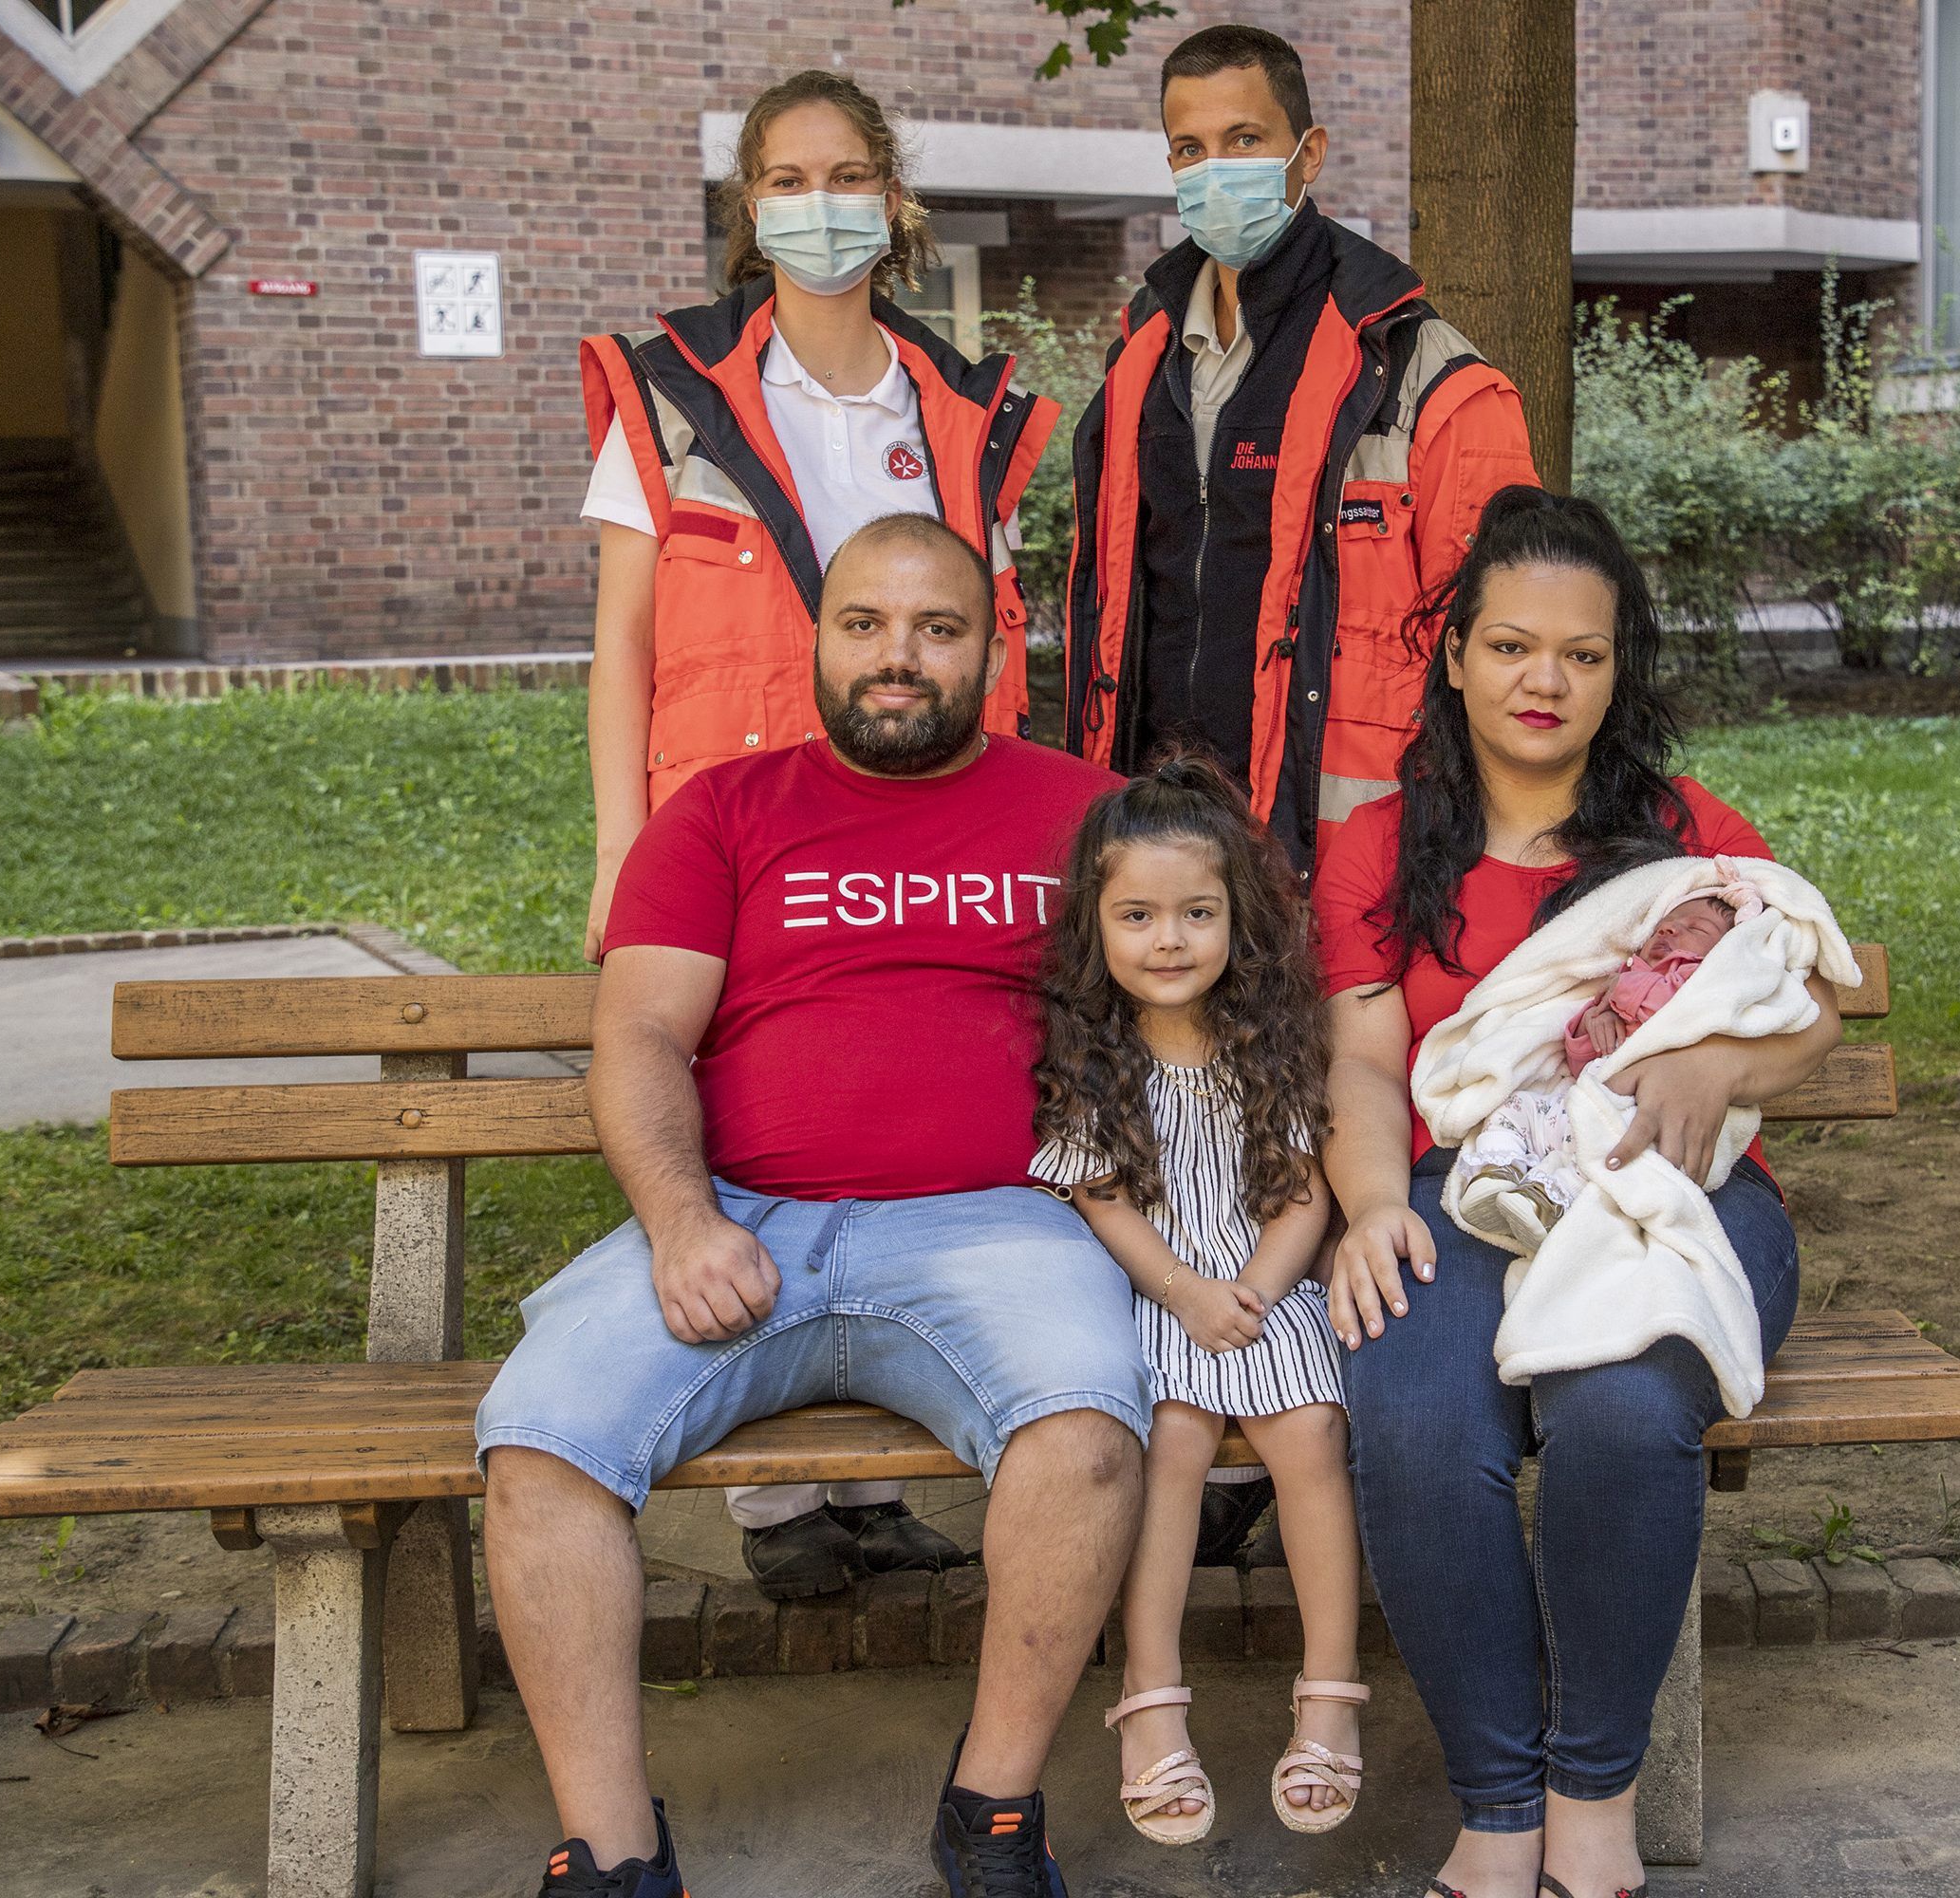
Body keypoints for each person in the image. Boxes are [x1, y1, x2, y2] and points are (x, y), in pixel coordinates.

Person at [476, 515, 1144, 1898]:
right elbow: (642, 1040)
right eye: (864, 624)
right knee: (539, 1445)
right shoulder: (722, 811)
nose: (895, 659)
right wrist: (676, 1221)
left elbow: (1199, 1006)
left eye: (936, 628)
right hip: (737, 1219)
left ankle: (993, 1810)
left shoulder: (1089, 817)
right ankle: (608, 1856)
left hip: (997, 1223)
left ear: (991, 647)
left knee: (1085, 1436)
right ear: (819, 636)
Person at [1309, 489, 1842, 1898]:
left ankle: (1590, 1793)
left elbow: (1833, 991)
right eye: (1510, 646)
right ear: (1456, 657)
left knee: (1617, 1411)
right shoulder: (1375, 846)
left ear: (1619, 668)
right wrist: (1371, 1206)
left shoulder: (1677, 828)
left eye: (1582, 655)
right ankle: (1495, 1804)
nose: (1544, 681)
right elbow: (1364, 1067)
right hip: (1452, 1187)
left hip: (1675, 1192)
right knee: (1416, 1430)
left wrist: (1717, 1063)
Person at [577, 66, 1058, 1592]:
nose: (818, 202)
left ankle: (862, 1486)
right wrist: (614, 848)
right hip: (726, 835)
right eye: (784, 178)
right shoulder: (674, 396)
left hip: (911, 816)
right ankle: (778, 1508)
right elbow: (621, 646)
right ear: (746, 209)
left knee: (881, 1119)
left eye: (846, 173)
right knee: (737, 1121)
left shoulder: (959, 406)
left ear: (895, 202)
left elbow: (986, 627)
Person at [1063, 24, 1542, 882]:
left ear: (1307, 152)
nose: (1214, 169)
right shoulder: (1140, 356)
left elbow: (1508, 643)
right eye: (1189, 148)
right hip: (1154, 834)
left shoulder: (1419, 373)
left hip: (1342, 847)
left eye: (1244, 140)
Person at [1027, 755, 1366, 1846]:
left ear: (1238, 919)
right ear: (1098, 925)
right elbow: (1100, 1195)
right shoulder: (1095, 1052)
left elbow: (1310, 1187)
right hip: (1158, 1292)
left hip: (1265, 1284)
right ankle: (1151, 1697)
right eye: (1137, 914)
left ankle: (1329, 1690)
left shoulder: (1270, 1043)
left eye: (1195, 913)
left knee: (1310, 1429)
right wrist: (1184, 1291)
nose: (1167, 939)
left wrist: (1258, 1292)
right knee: (1168, 1437)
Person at [1453, 891, 1745, 1249]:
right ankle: (1497, 1171)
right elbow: (1581, 1062)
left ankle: (1548, 1202)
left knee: (1607, 1149)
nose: (1669, 929)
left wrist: (1620, 991)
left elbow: (1666, 1003)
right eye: (1665, 924)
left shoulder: (1699, 981)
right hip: (1576, 1100)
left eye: (1695, 927)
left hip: (1629, 1112)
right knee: (1515, 1106)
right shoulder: (1631, 976)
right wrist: (1589, 1024)